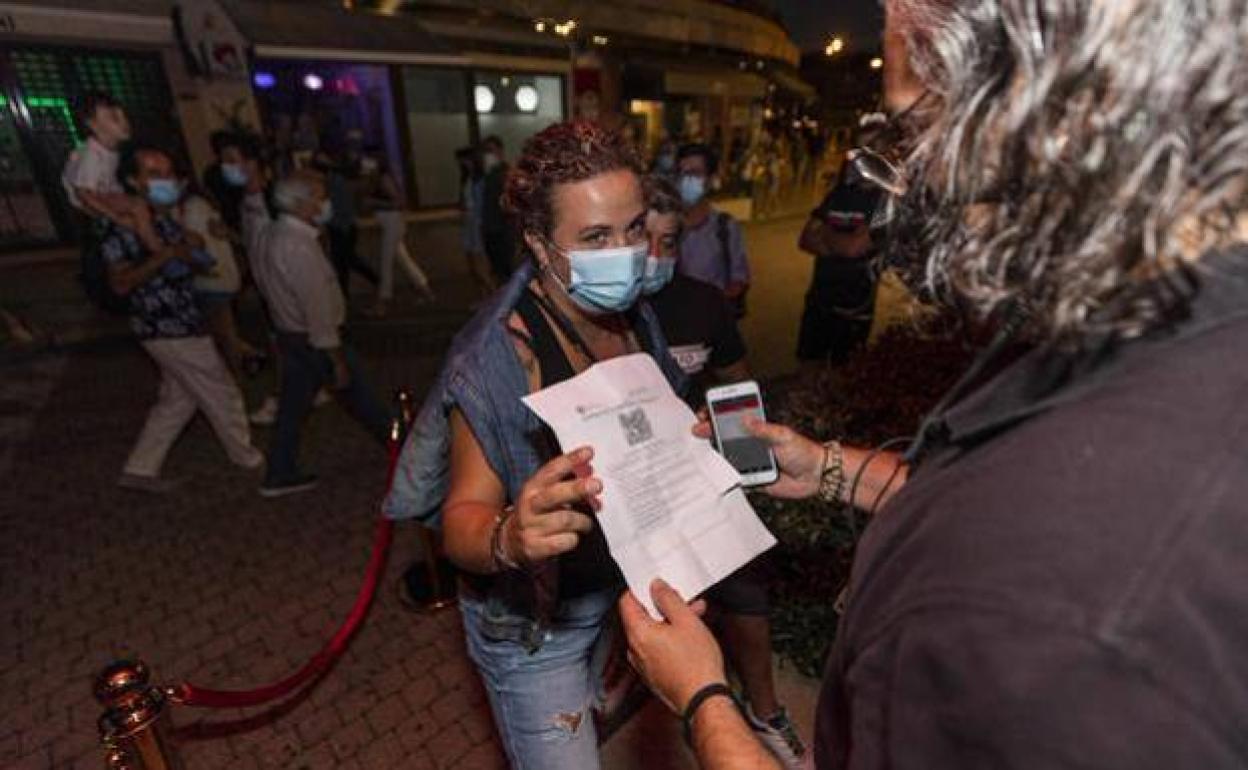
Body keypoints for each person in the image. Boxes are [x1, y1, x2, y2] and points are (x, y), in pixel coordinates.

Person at [619, 0, 1248, 768]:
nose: (909, 181)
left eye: (912, 133)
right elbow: (1001, 490)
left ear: (1043, 103)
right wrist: (832, 471)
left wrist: (703, 700)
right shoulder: (1154, 335)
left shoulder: (1051, 625)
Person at [384, 121, 687, 769]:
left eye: (634, 228)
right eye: (596, 237)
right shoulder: (499, 355)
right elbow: (461, 519)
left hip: (613, 590)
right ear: (539, 244)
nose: (627, 252)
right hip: (535, 631)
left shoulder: (632, 311)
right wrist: (511, 537)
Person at [643, 175, 809, 768]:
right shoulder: (597, 316)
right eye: (646, 240)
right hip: (630, 490)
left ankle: (764, 711)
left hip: (699, 471)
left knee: (746, 589)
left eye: (669, 241)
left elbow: (738, 384)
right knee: (643, 602)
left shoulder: (702, 302)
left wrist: (748, 461)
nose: (657, 257)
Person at [103, 141, 263, 493]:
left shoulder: (163, 221)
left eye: (168, 173)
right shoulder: (123, 228)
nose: (166, 180)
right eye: (153, 174)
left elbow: (194, 263)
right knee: (222, 391)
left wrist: (193, 251)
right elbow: (120, 283)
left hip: (182, 321)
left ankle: (140, 468)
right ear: (133, 182)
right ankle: (248, 457)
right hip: (166, 327)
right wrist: (166, 255)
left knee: (178, 399)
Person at [251, 171, 391, 498]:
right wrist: (335, 356)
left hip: (292, 335)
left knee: (292, 407)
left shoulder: (271, 234)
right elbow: (317, 308)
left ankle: (279, 472)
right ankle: (413, 456)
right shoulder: (298, 246)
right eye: (318, 195)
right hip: (315, 340)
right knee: (365, 402)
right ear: (300, 203)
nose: (325, 201)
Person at [795, 155, 883, 366]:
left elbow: (853, 249)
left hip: (854, 308)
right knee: (808, 365)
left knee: (843, 372)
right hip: (819, 299)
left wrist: (825, 233)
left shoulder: (883, 204)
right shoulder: (838, 195)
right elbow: (805, 240)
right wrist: (842, 242)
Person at [179, 180, 257, 379]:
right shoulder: (202, 204)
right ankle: (248, 358)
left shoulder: (191, 207)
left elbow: (197, 245)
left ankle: (239, 372)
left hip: (211, 279)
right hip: (220, 277)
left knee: (222, 333)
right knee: (221, 331)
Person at [674, 143, 751, 317]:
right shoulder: (664, 226)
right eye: (681, 173)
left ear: (711, 180)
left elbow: (739, 279)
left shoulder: (725, 227)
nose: (686, 180)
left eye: (695, 174)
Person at [360, 146, 435, 317]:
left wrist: (374, 203)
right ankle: (426, 291)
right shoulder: (377, 178)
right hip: (390, 224)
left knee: (386, 264)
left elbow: (399, 203)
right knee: (403, 260)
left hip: (393, 224)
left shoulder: (385, 178)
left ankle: (382, 304)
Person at [321, 150, 378, 298]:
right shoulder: (337, 182)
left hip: (342, 227)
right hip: (342, 226)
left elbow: (341, 207)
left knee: (346, 260)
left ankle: (375, 280)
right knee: (343, 261)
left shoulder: (335, 183)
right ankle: (345, 292)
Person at [456, 145, 495, 299]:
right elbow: (465, 199)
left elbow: (482, 204)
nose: (462, 164)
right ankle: (484, 297)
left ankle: (493, 297)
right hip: (468, 221)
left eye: (464, 161)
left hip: (477, 222)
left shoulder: (481, 179)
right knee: (471, 262)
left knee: (480, 264)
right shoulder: (467, 177)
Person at [479, 134, 516, 283]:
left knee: (505, 269)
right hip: (490, 228)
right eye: (486, 151)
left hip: (503, 229)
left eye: (491, 151)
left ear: (500, 152)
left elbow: (510, 203)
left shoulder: (505, 173)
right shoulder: (487, 173)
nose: (488, 155)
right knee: (495, 267)